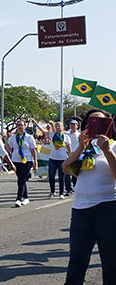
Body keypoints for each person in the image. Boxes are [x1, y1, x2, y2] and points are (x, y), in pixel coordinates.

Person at [62, 109, 116, 285]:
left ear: (109, 124)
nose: (95, 125)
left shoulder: (113, 145)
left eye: (100, 122)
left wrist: (107, 149)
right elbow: (66, 169)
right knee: (77, 259)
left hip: (108, 208)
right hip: (81, 210)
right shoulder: (86, 148)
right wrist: (79, 147)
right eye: (91, 122)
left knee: (110, 260)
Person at [32, 119, 72, 199]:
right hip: (53, 159)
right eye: (56, 126)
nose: (58, 128)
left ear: (63, 128)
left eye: (59, 126)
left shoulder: (66, 137)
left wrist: (71, 159)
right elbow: (42, 130)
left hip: (63, 159)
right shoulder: (52, 135)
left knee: (61, 176)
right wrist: (35, 123)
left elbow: (69, 149)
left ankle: (61, 193)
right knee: (51, 176)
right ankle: (52, 191)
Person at [6, 120, 38, 207]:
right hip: (16, 160)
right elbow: (9, 149)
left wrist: (36, 162)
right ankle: (26, 197)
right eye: (18, 125)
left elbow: (33, 150)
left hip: (27, 160)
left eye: (21, 125)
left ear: (25, 127)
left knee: (21, 179)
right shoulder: (13, 137)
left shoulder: (29, 137)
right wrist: (5, 140)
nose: (20, 127)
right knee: (21, 179)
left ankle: (19, 198)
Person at [65, 118, 81, 196]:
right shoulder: (66, 134)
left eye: (74, 124)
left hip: (76, 154)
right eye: (71, 124)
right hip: (67, 154)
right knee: (67, 173)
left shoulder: (79, 135)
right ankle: (68, 189)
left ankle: (76, 187)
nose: (72, 126)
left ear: (77, 126)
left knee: (74, 172)